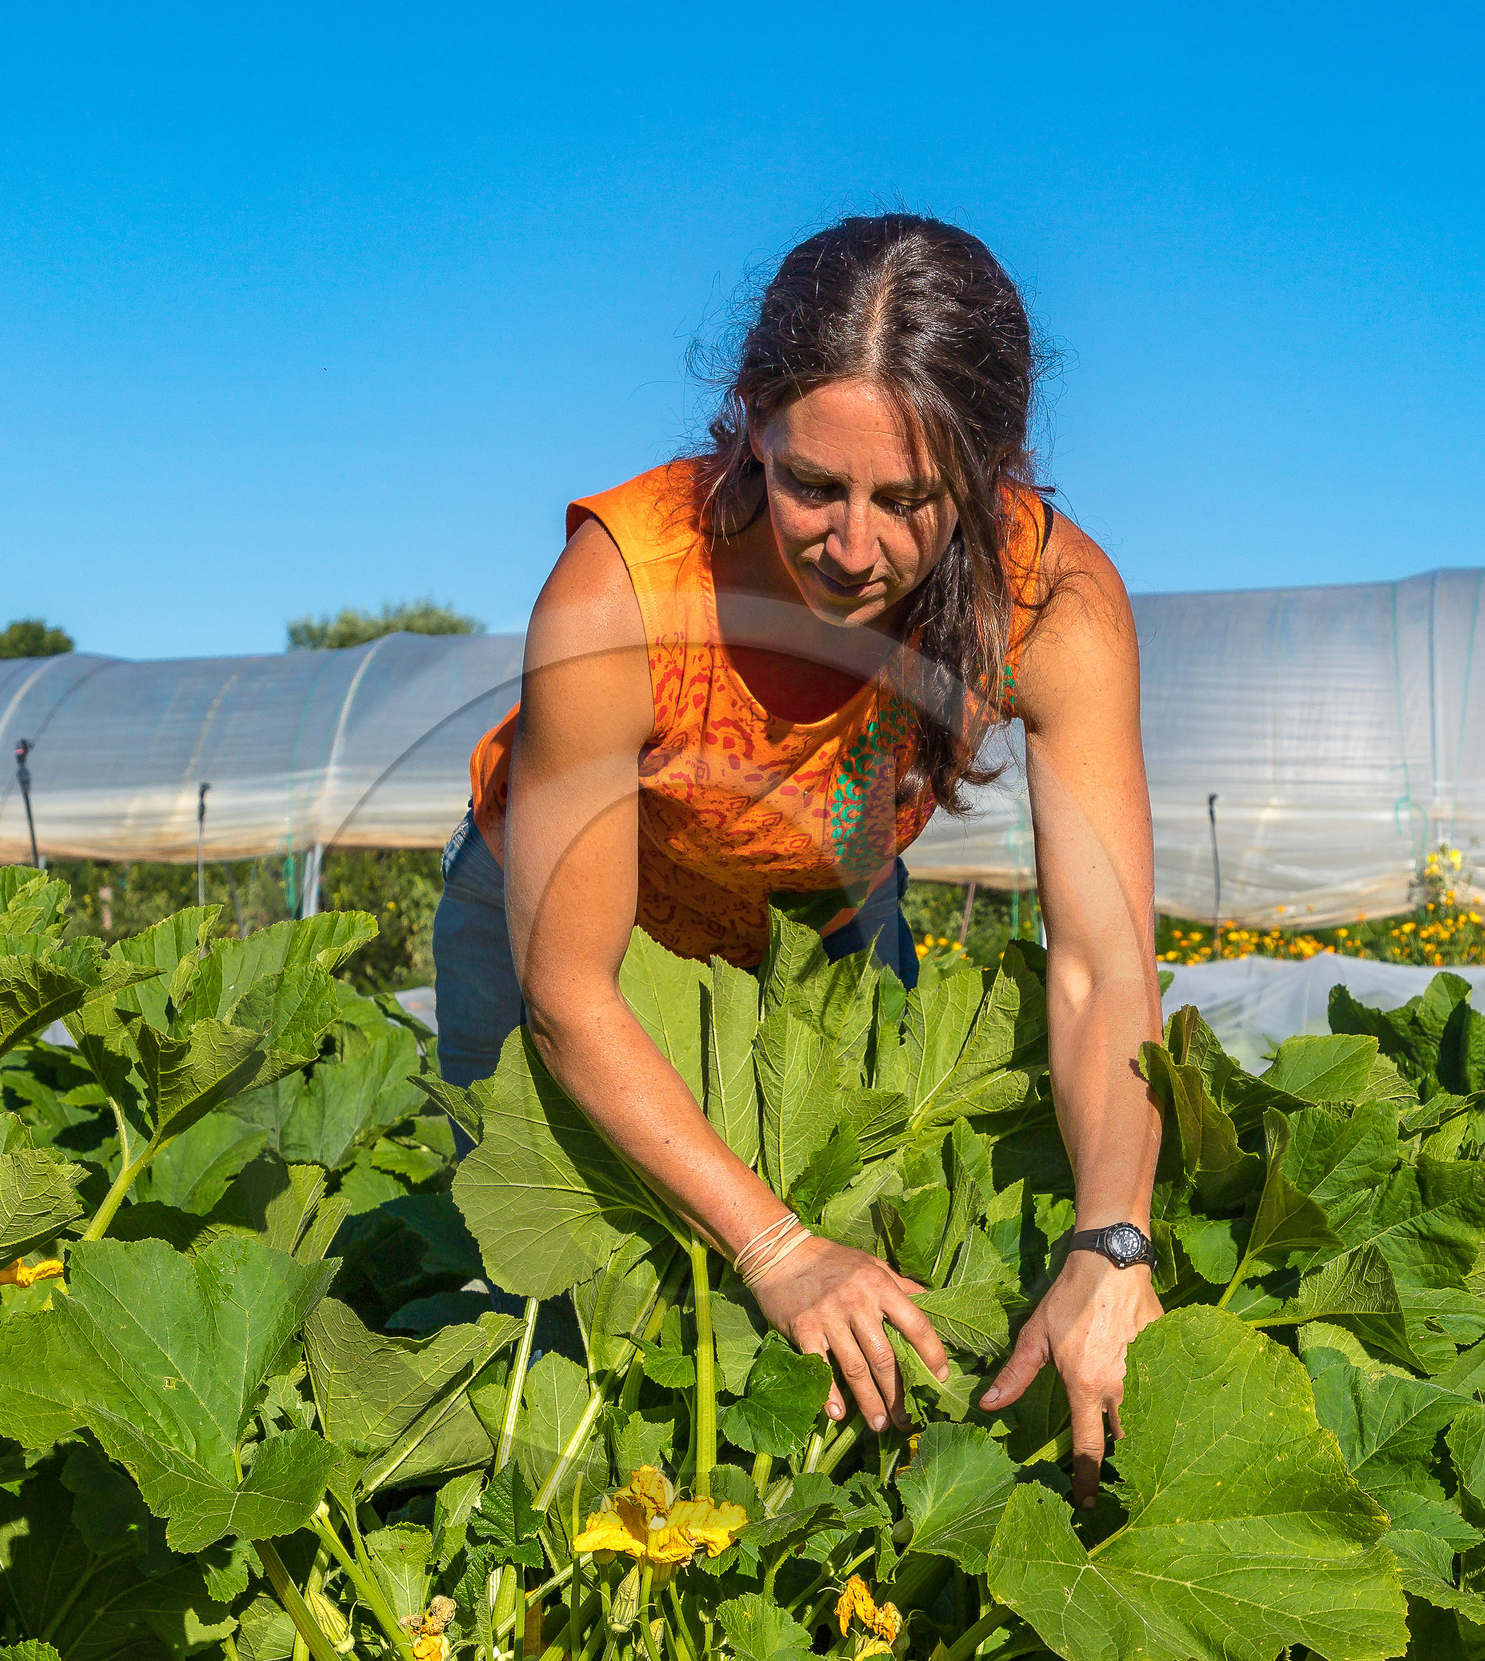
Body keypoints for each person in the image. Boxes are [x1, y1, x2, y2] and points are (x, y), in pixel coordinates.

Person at [434, 214, 1163, 1503]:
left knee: (868, 1297)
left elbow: (1104, 968)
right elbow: (571, 993)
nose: (854, 544)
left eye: (910, 500)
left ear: (989, 470)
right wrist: (775, 1245)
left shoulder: (1052, 603)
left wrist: (1114, 1239)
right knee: (554, 1321)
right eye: (812, 485)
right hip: (569, 938)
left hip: (818, 916)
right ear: (749, 425)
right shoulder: (626, 588)